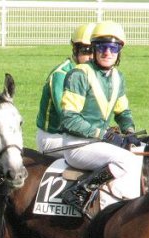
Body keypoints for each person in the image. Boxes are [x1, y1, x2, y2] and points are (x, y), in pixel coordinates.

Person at [58, 21, 143, 212]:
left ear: (119, 51)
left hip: (99, 144)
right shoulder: (78, 75)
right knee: (127, 161)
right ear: (94, 49)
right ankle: (85, 193)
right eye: (102, 47)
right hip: (76, 145)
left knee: (144, 154)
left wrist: (129, 131)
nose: (107, 53)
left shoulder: (118, 77)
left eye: (113, 48)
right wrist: (102, 134)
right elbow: (69, 119)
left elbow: (123, 112)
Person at [35, 23, 96, 155]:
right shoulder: (61, 75)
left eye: (95, 51)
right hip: (52, 137)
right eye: (86, 51)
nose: (91, 56)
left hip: (75, 135)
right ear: (75, 49)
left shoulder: (92, 74)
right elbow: (67, 117)